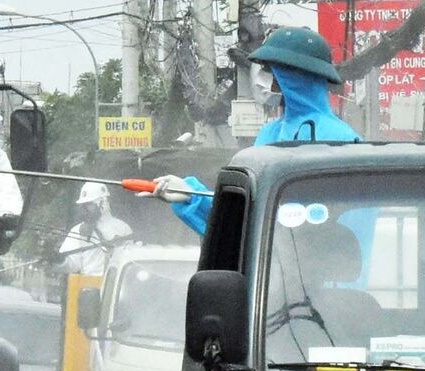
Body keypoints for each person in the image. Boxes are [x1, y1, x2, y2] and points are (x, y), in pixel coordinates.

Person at [148, 26, 361, 235]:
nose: (267, 80)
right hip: (272, 266)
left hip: (323, 265)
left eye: (272, 72)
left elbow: (352, 223)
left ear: (294, 76)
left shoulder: (342, 141)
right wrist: (191, 195)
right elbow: (244, 215)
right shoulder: (269, 134)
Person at [57, 182, 133, 278]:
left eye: (88, 205)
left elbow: (130, 261)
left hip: (115, 286)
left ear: (103, 203)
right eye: (83, 206)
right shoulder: (76, 231)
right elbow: (72, 265)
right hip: (88, 287)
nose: (84, 209)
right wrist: (57, 260)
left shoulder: (123, 228)